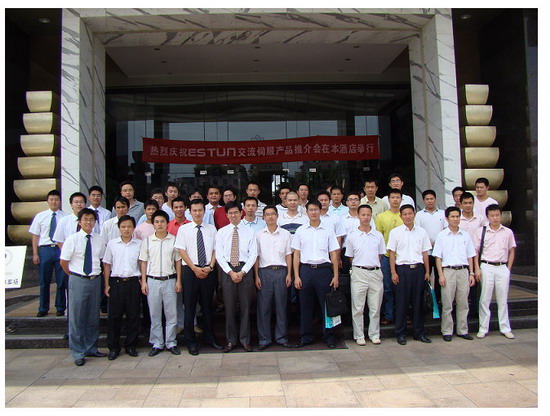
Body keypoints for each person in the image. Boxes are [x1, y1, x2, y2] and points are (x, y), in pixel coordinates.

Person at [59, 208, 107, 366]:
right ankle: (78, 351)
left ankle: (91, 347)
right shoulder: (72, 239)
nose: (88, 222)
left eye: (91, 219)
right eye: (85, 219)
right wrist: (73, 275)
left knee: (93, 316)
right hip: (78, 279)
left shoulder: (99, 239)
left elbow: (102, 259)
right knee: (77, 317)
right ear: (79, 222)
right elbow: (64, 262)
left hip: (95, 279)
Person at [175, 199, 222, 355]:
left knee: (208, 306)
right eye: (194, 210)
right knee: (189, 307)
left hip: (208, 271)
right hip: (190, 271)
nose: (197, 213)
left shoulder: (211, 229)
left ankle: (209, 337)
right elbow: (181, 251)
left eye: (200, 210)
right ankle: (191, 341)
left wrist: (210, 267)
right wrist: (194, 268)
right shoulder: (184, 229)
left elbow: (216, 250)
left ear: (204, 211)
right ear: (190, 212)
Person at [292, 200, 340, 349]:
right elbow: (296, 255)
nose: (313, 212)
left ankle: (329, 336)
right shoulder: (301, 230)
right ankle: (306, 336)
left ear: (320, 211)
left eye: (316, 209)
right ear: (306, 212)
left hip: (323, 271)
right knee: (305, 305)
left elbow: (333, 254)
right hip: (306, 270)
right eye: (311, 210)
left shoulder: (328, 230)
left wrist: (336, 275)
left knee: (327, 305)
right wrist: (297, 276)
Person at [215, 201, 258, 352]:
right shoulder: (221, 232)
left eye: (236, 212)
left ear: (241, 213)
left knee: (245, 307)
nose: (233, 215)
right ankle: (231, 340)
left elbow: (253, 254)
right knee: (229, 307)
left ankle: (245, 340)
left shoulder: (250, 232)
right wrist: (231, 272)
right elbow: (219, 255)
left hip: (244, 269)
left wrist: (242, 272)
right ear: (227, 215)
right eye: (230, 213)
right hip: (228, 271)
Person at [139, 210, 182, 356]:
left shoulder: (174, 240)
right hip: (153, 281)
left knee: (171, 314)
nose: (159, 224)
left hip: (170, 280)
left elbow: (178, 261)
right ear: (153, 224)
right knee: (155, 313)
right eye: (157, 222)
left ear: (167, 223)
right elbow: (143, 262)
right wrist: (144, 281)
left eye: (162, 221)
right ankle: (157, 343)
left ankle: (171, 342)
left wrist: (178, 280)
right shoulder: (147, 241)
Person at [387, 204, 432, 345]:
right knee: (402, 303)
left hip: (418, 270)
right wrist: (393, 272)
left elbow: (425, 253)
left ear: (414, 214)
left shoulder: (422, 232)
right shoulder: (395, 232)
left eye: (410, 213)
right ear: (401, 216)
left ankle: (419, 333)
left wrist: (427, 271)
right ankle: (400, 333)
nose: (408, 216)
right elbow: (392, 254)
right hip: (402, 270)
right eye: (405, 214)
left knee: (418, 302)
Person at [432, 206, 476, 342]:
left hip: (463, 271)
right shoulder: (442, 236)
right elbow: (438, 257)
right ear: (447, 218)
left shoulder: (465, 235)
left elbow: (470, 256)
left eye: (457, 216)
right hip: (448, 271)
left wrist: (471, 273)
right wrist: (441, 275)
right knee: (447, 304)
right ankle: (447, 330)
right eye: (453, 217)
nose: (455, 219)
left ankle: (463, 330)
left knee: (463, 303)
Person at [344, 204, 386, 345]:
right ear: (358, 216)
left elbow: (380, 255)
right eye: (363, 215)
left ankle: (374, 334)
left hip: (375, 272)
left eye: (368, 215)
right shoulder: (352, 236)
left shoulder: (378, 235)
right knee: (358, 307)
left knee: (375, 307)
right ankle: (359, 335)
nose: (366, 217)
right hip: (359, 272)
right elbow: (350, 257)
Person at [473, 204, 517, 339]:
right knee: (484, 298)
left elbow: (512, 250)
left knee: (502, 299)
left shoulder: (507, 232)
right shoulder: (481, 231)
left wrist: (508, 268)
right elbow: (475, 252)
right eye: (492, 215)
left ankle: (505, 327)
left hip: (502, 267)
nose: (495, 218)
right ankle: (483, 328)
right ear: (487, 217)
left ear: (501, 215)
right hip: (486, 266)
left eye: (497, 215)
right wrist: (477, 268)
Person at [102, 215, 142, 360]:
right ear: (119, 228)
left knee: (133, 316)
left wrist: (142, 280)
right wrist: (106, 284)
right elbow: (107, 265)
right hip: (116, 283)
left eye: (129, 226)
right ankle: (113, 347)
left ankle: (131, 346)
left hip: (133, 283)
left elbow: (142, 263)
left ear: (134, 228)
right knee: (114, 317)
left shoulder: (139, 244)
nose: (126, 229)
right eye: (123, 226)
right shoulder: (112, 244)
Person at [254, 205, 293, 350]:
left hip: (281, 271)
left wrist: (289, 274)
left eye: (272, 214)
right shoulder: (258, 234)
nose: (270, 217)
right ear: (263, 217)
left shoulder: (285, 234)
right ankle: (264, 339)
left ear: (277, 216)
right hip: (264, 272)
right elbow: (256, 256)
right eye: (267, 214)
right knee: (264, 308)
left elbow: (289, 255)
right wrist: (256, 276)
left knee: (281, 306)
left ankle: (281, 337)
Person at [29, 190, 69, 317]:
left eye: (56, 199)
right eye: (51, 199)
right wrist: (35, 253)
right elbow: (35, 236)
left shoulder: (65, 217)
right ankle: (43, 307)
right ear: (47, 201)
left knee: (61, 280)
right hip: (45, 249)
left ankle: (60, 307)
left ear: (60, 201)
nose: (54, 202)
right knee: (44, 280)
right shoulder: (40, 216)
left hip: (60, 249)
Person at [374, 188, 404, 325]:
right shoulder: (381, 217)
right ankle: (388, 314)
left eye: (397, 197)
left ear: (401, 199)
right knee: (387, 287)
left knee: (403, 288)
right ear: (388, 199)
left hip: (403, 258)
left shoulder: (406, 215)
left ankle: (402, 314)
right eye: (393, 197)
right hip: (386, 256)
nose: (395, 200)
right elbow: (378, 238)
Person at [415, 190, 447, 305]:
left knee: (440, 276)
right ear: (423, 200)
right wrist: (429, 244)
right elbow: (418, 232)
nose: (429, 201)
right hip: (426, 252)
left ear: (435, 199)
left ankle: (439, 301)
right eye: (427, 199)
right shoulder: (419, 215)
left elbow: (445, 231)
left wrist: (438, 243)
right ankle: (426, 301)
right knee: (426, 276)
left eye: (431, 199)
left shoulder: (442, 214)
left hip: (440, 252)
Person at [459, 191, 486, 315]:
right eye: (465, 203)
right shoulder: (457, 218)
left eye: (470, 203)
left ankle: (475, 311)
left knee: (477, 283)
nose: (468, 205)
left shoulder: (480, 218)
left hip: (477, 254)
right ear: (461, 204)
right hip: (461, 256)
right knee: (463, 286)